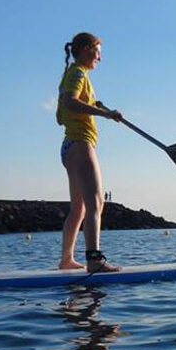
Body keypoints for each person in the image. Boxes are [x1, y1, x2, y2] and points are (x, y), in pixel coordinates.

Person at [56, 32, 123, 272]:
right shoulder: (77, 73)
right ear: (86, 49)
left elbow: (60, 116)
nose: (99, 58)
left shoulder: (70, 74)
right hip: (80, 144)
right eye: (97, 52)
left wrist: (94, 105)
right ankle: (94, 260)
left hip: (69, 146)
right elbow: (69, 102)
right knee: (95, 202)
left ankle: (66, 260)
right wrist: (105, 114)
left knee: (79, 208)